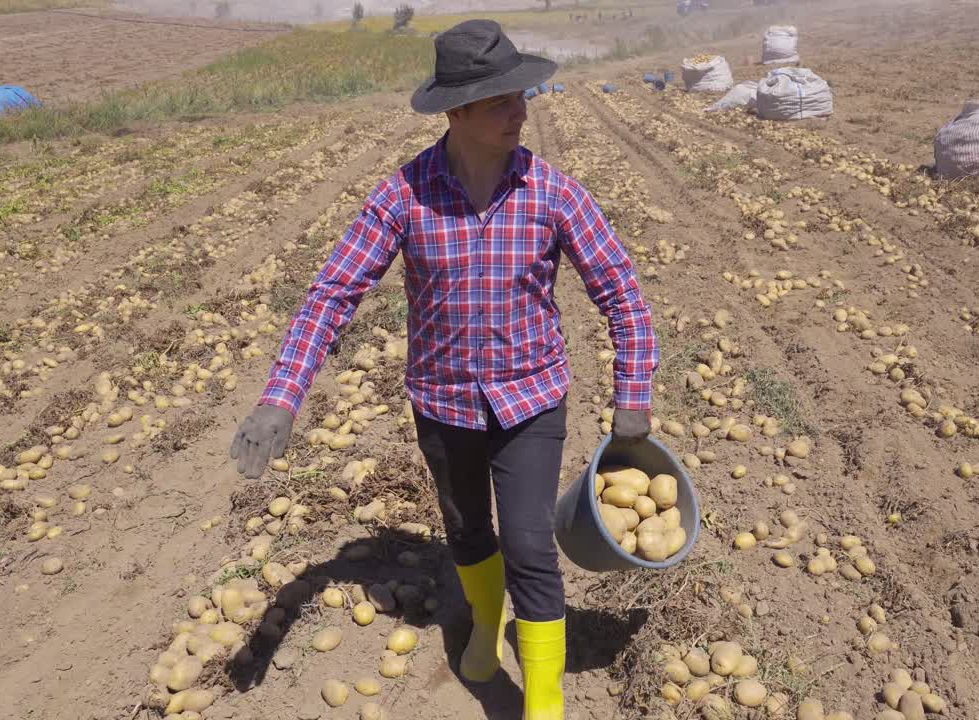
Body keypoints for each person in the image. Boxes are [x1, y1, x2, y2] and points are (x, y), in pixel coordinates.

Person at [228, 19, 659, 720]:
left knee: (529, 545)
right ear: (456, 111)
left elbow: (621, 291)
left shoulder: (554, 193)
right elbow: (333, 293)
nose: (521, 111)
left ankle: (543, 701)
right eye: (501, 102)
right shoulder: (403, 195)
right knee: (467, 532)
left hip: (531, 400)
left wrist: (632, 392)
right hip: (443, 403)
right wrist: (283, 397)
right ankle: (486, 627)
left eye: (523, 95)